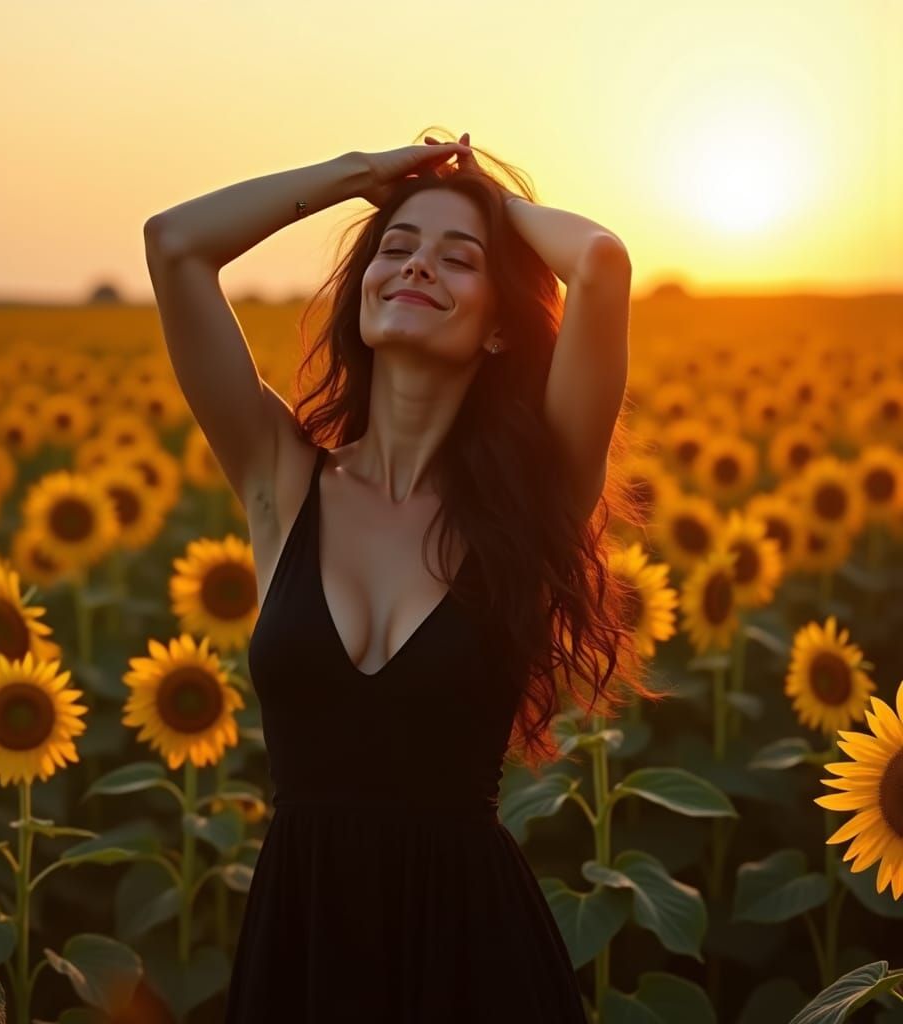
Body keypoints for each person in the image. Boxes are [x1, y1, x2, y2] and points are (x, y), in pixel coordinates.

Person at [144, 130, 655, 1023]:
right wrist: (361, 177)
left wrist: (488, 201)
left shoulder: (531, 508)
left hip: (471, 954)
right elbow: (175, 244)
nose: (416, 267)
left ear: (500, 326)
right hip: (302, 946)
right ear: (363, 289)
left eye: (459, 261)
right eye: (396, 248)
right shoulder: (284, 480)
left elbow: (601, 262)